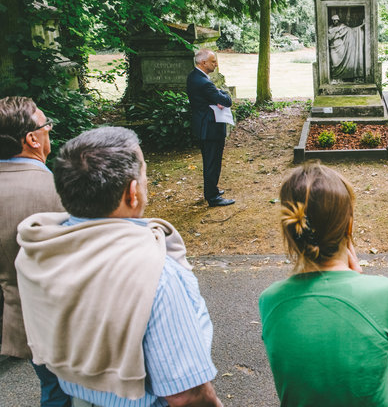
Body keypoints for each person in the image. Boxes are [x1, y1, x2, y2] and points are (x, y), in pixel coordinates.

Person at [15, 126, 223, 407]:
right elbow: (186, 395)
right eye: (144, 174)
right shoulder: (156, 274)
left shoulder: (36, 249)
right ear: (132, 193)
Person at [259, 162, 388, 406]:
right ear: (349, 225)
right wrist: (358, 278)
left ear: (290, 233)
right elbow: (387, 367)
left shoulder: (270, 300)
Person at [0, 96, 71, 407]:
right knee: (61, 392)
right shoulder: (57, 192)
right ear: (32, 138)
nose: (49, 132)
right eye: (47, 126)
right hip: (50, 319)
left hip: (13, 316)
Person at [187, 48, 234, 207]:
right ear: (203, 62)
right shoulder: (204, 82)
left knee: (210, 160)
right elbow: (227, 101)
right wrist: (223, 94)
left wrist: (216, 96)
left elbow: (210, 98)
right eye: (213, 61)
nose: (216, 64)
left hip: (202, 125)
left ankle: (211, 189)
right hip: (210, 128)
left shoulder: (193, 76)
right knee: (212, 162)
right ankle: (212, 197)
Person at [328, 14, 365, 81]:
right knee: (335, 63)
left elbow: (353, 30)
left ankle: (342, 78)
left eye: (336, 20)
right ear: (332, 21)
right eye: (334, 20)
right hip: (333, 47)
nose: (335, 22)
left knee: (342, 62)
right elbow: (329, 37)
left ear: (338, 20)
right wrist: (335, 32)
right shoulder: (330, 28)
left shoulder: (343, 27)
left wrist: (361, 26)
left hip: (341, 46)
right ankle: (335, 77)